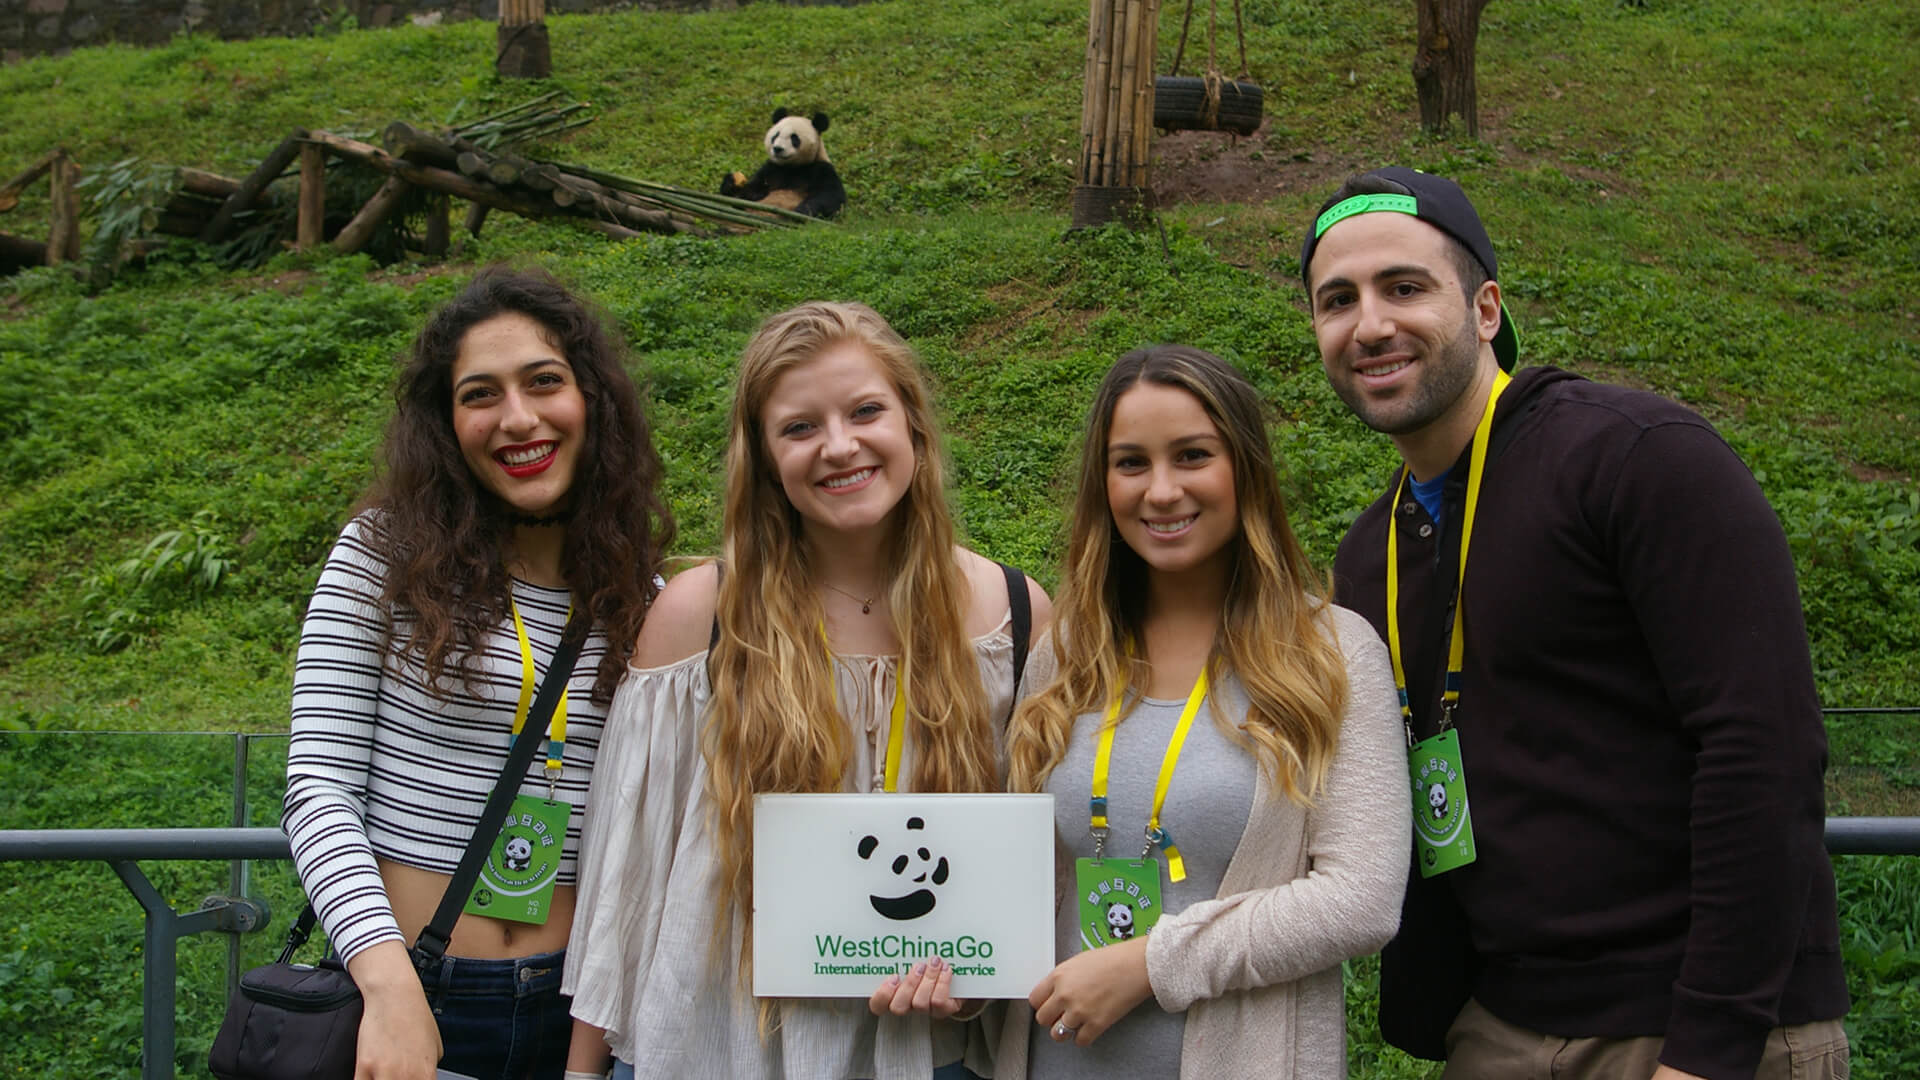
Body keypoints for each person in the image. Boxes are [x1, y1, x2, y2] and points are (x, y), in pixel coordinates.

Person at [1299, 166, 1850, 1080]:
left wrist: (1710, 1046)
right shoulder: (1371, 554)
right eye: (1337, 300)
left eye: (1405, 287)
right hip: (1501, 1032)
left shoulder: (1637, 462)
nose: (1371, 324)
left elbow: (1764, 748)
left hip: (1699, 1030)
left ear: (1485, 309)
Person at [561, 300, 1051, 1080]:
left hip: (930, 1058)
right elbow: (630, 870)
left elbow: (1033, 868)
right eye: (799, 427)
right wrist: (582, 1072)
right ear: (763, 460)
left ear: (914, 428)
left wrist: (975, 988)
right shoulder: (703, 618)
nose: (839, 445)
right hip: (719, 1051)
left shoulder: (1013, 616)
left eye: (865, 411)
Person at [283, 267, 676, 1080]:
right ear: (445, 421)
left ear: (592, 401)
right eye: (480, 394)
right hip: (414, 993)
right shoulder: (382, 556)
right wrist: (388, 985)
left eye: (544, 382)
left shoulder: (644, 595)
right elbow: (318, 787)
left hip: (584, 1013)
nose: (519, 419)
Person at [992, 345, 1408, 1079]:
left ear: (1244, 469)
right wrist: (956, 979)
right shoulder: (1067, 656)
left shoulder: (1332, 653)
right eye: (1130, 463)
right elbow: (1019, 881)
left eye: (1191, 456)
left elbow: (1361, 901)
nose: (1160, 490)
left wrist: (1152, 966)